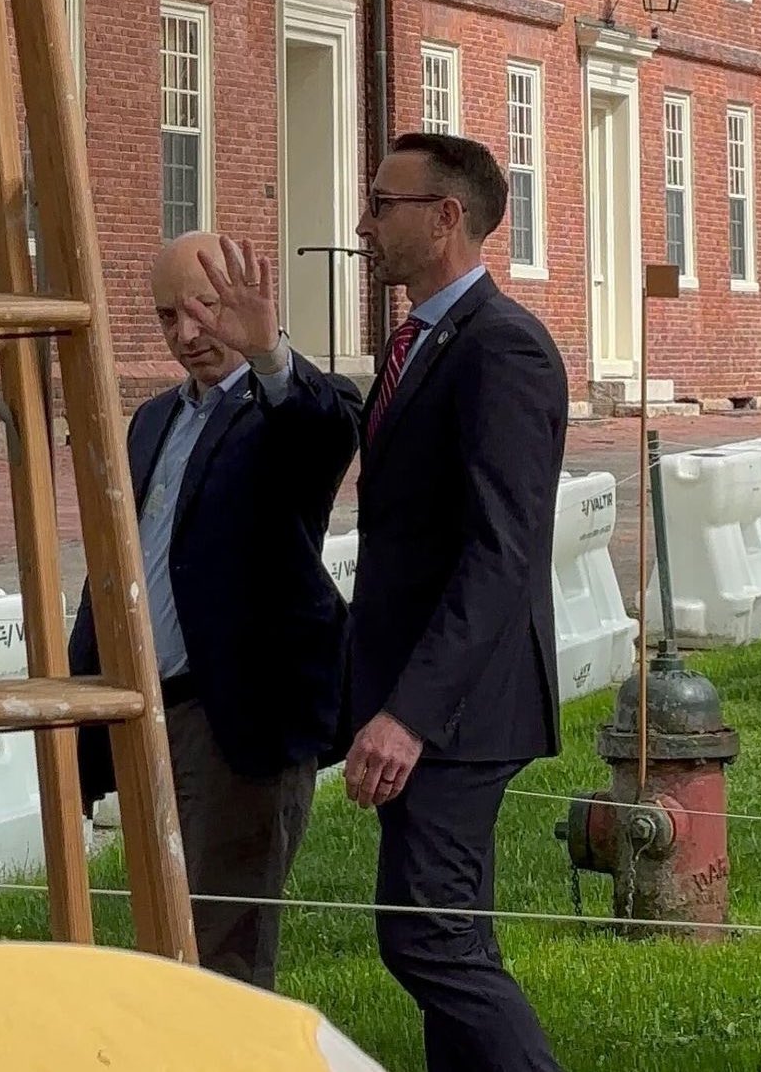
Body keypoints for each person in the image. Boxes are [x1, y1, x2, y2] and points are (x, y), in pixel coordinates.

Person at [68, 230, 362, 992]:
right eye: (168, 317)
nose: (188, 334)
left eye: (204, 310)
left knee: (221, 949)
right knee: (157, 936)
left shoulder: (284, 409)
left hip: (238, 723)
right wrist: (81, 710)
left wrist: (268, 353)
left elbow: (325, 430)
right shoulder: (152, 421)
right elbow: (116, 565)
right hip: (142, 713)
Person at [343, 133, 568, 1072]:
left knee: (426, 937)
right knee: (453, 933)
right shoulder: (423, 341)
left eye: (382, 203)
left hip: (463, 710)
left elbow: (498, 554)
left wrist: (410, 714)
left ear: (444, 219)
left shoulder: (501, 348)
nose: (363, 223)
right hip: (428, 696)